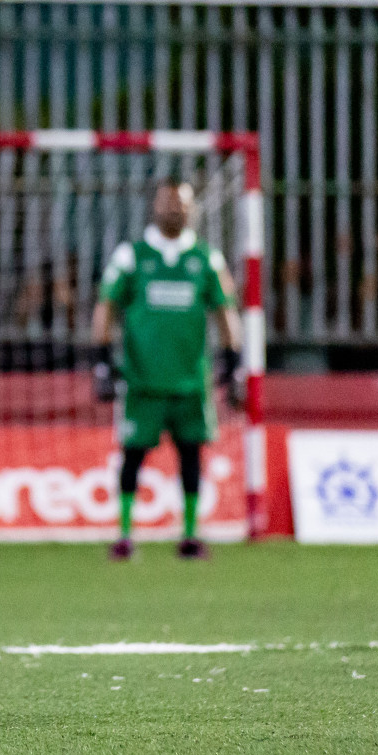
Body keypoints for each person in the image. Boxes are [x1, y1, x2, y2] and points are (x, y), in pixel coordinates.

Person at [92, 179, 244, 562]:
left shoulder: (206, 258)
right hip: (142, 379)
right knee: (132, 455)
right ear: (154, 207)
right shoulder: (132, 256)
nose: (175, 209)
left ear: (193, 209)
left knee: (191, 455)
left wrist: (234, 360)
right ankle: (124, 534)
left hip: (192, 380)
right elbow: (106, 305)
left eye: (182, 203)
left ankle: (190, 535)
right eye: (168, 202)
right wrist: (101, 358)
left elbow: (225, 309)